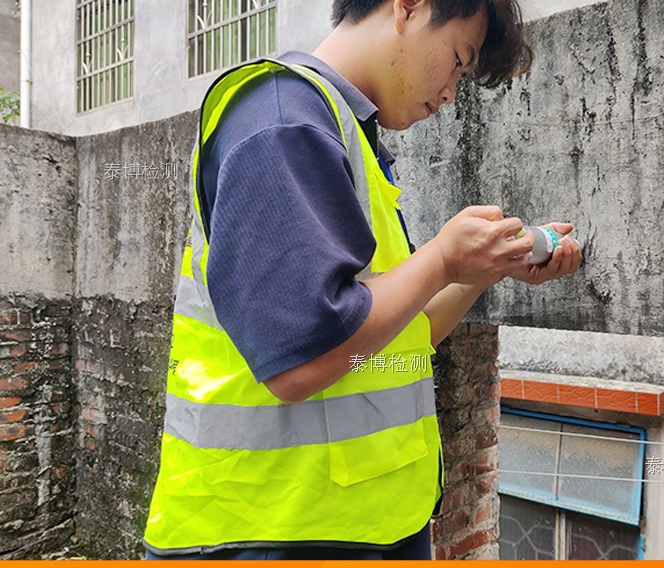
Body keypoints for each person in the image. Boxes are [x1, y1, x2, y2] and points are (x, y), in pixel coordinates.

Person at [143, 0, 582, 560]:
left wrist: (482, 271)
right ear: (409, 7)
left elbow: (399, 332)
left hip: (361, 525)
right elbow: (303, 361)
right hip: (268, 532)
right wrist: (442, 260)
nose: (451, 94)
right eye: (458, 60)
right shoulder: (282, 122)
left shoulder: (349, 137)